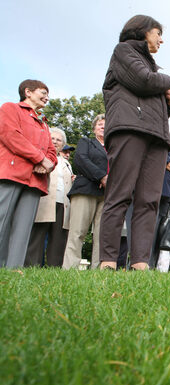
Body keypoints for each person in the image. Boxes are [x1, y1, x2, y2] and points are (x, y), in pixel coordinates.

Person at [99, 15, 170, 271]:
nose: (161, 40)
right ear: (142, 31)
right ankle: (108, 260)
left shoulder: (151, 64)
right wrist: (167, 81)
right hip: (129, 130)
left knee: (148, 201)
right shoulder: (124, 51)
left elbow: (157, 107)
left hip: (156, 136)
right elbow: (143, 81)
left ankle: (140, 262)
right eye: (157, 33)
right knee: (119, 195)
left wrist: (169, 102)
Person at [0, 79, 56, 268]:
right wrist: (39, 158)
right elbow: (11, 135)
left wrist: (47, 164)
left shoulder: (44, 123)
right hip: (12, 174)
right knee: (2, 220)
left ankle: (13, 270)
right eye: (43, 92)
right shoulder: (10, 108)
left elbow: (51, 152)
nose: (46, 97)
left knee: (23, 229)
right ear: (28, 92)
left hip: (35, 180)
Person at [62, 114, 108, 270]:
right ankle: (70, 268)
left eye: (106, 125)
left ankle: (98, 269)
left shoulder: (114, 148)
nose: (103, 127)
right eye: (100, 124)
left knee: (102, 235)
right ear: (94, 128)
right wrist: (101, 176)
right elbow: (81, 160)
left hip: (106, 194)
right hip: (86, 190)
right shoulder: (86, 142)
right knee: (78, 231)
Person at [25, 127, 73, 267]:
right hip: (44, 200)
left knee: (59, 237)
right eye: (53, 138)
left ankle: (55, 267)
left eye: (59, 140)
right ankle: (31, 265)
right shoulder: (40, 155)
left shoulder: (66, 162)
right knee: (38, 234)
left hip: (62, 203)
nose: (56, 142)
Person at [148, 147, 170, 268]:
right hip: (156, 193)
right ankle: (148, 264)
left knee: (161, 234)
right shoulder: (160, 146)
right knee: (151, 232)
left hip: (168, 196)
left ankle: (160, 266)